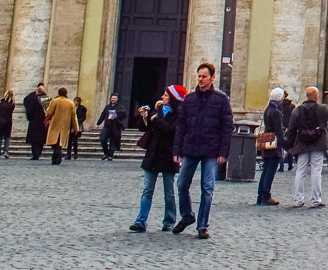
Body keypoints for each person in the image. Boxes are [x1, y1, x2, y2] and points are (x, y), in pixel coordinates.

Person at [172, 61, 232, 239]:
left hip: (212, 151)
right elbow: (181, 126)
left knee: (207, 188)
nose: (201, 79)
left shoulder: (221, 100)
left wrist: (223, 152)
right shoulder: (189, 100)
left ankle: (202, 226)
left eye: (204, 77)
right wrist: (177, 150)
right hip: (191, 147)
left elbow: (227, 127)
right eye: (199, 76)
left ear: (212, 78)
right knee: (182, 184)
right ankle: (187, 216)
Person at [130, 87, 180, 232]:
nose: (162, 97)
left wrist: (156, 119)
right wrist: (144, 117)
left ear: (172, 98)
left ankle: (169, 220)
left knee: (169, 191)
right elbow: (143, 128)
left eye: (165, 95)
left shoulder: (178, 116)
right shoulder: (157, 112)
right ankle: (141, 221)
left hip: (168, 156)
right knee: (147, 190)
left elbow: (170, 130)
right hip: (152, 155)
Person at [288, 85, 328, 208]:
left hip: (302, 143)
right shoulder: (321, 109)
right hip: (317, 143)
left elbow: (291, 129)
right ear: (317, 96)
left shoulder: (297, 110)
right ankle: (315, 200)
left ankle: (298, 199)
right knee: (316, 172)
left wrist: (289, 145)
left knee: (300, 171)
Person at [256, 87, 287, 205]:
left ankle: (261, 195)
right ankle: (266, 196)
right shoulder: (276, 112)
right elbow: (279, 130)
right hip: (273, 144)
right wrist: (285, 143)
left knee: (266, 171)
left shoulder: (268, 109)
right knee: (270, 171)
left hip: (267, 143)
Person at [42, 86, 75, 164]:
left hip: (55, 123)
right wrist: (75, 128)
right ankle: (55, 157)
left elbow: (49, 113)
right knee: (59, 141)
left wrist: (47, 113)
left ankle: (58, 155)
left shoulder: (55, 101)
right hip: (65, 125)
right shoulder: (71, 103)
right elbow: (74, 116)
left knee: (54, 142)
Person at [22, 82, 46, 160]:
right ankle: (36, 154)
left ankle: (37, 154)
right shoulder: (32, 97)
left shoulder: (45, 97)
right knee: (35, 139)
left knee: (40, 139)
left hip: (41, 121)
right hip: (35, 120)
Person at [98, 94, 124, 161]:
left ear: (117, 99)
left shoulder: (120, 107)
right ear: (110, 99)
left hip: (115, 127)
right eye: (112, 98)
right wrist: (99, 122)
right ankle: (106, 152)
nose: (113, 99)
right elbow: (103, 114)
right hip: (107, 126)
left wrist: (117, 115)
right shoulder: (107, 107)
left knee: (113, 142)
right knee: (103, 139)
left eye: (115, 98)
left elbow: (123, 115)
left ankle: (110, 155)